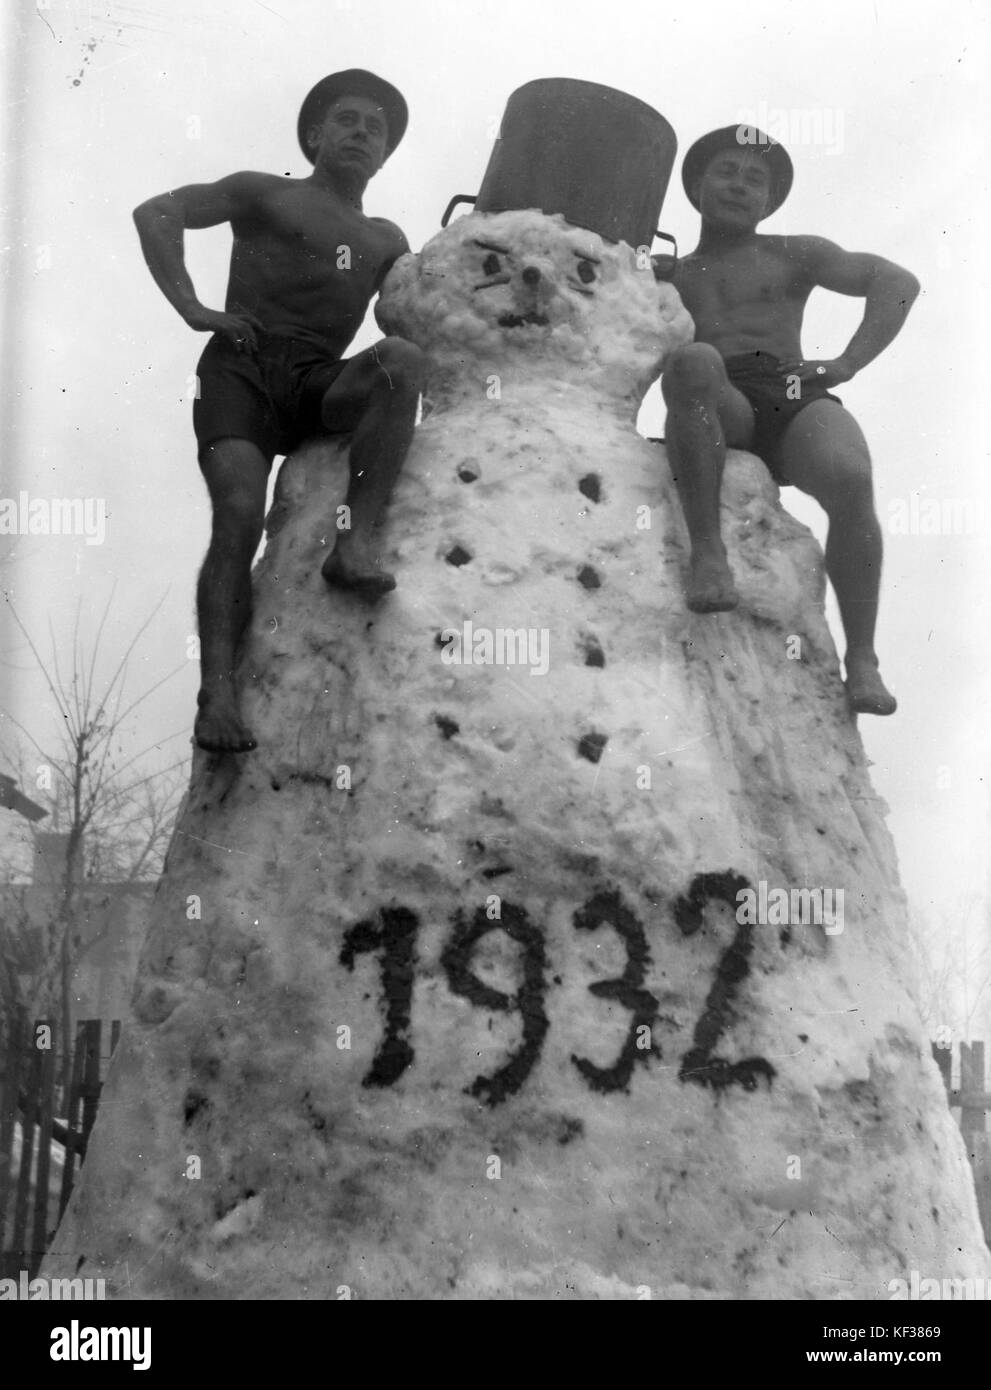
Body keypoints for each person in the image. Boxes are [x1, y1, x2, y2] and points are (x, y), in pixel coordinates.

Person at [133, 69, 425, 753]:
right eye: (347, 120)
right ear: (316, 134)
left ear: (385, 154)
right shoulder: (264, 191)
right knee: (237, 515)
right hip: (242, 364)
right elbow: (157, 211)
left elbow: (432, 302)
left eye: (375, 128)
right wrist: (194, 307)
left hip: (317, 378)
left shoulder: (387, 238)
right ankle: (219, 696)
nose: (360, 133)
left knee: (403, 362)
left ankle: (353, 546)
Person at [661, 125, 919, 715]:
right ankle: (709, 554)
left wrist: (849, 363)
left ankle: (863, 657)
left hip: (792, 384)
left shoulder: (792, 251)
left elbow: (896, 282)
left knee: (851, 478)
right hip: (720, 394)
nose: (740, 186)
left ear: (770, 201)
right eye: (726, 171)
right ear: (697, 185)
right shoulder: (669, 274)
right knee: (694, 360)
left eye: (756, 180)